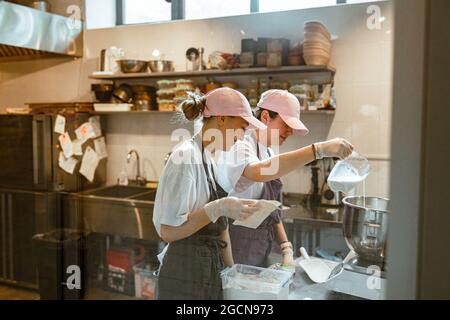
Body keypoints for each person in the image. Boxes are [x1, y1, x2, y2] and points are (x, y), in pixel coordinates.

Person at [217, 89, 354, 268]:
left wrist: (286, 247)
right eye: (286, 124)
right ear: (265, 117)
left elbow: (272, 209)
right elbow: (257, 172)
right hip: (234, 246)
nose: (290, 132)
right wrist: (318, 150)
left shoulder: (269, 151)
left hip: (258, 245)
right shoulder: (240, 145)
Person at [153, 87, 267, 300]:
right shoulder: (185, 158)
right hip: (183, 276)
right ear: (222, 119)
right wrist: (219, 207)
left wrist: (232, 275)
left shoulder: (208, 158)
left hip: (206, 271)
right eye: (242, 128)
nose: (242, 138)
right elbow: (167, 231)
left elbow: (218, 226)